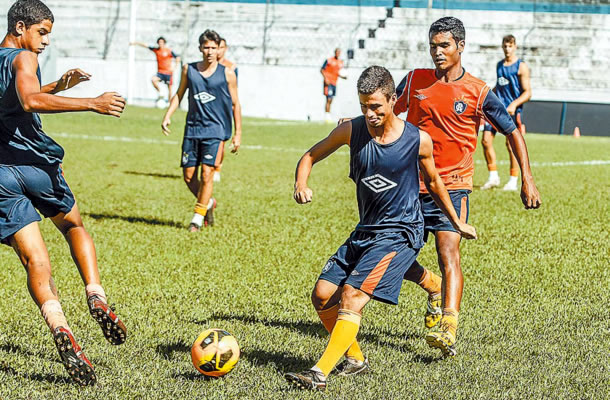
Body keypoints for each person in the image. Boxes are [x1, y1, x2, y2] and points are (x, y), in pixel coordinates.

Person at [285, 66, 476, 391]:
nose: (370, 114)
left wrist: (456, 221)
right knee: (322, 296)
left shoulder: (417, 139)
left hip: (402, 231)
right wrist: (301, 183)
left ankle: (319, 373)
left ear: (392, 99)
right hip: (367, 230)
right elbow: (310, 155)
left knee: (352, 295)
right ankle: (356, 358)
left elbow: (433, 182)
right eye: (364, 107)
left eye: (376, 106)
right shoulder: (351, 131)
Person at [394, 17, 541, 357]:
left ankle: (449, 325)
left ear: (460, 46)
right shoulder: (415, 80)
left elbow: (512, 131)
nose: (437, 51)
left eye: (444, 45)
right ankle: (431, 285)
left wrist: (527, 179)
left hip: (454, 187)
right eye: (433, 45)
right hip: (410, 185)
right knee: (393, 256)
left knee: (449, 252)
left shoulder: (478, 91)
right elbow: (389, 111)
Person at [0, 0, 127, 386]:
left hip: (1, 176)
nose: (46, 41)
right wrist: (93, 102)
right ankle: (95, 294)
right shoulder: (23, 60)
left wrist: (58, 86)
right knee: (73, 227)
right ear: (20, 27)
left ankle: (59, 324)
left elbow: (13, 104)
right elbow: (29, 100)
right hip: (37, 168)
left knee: (35, 260)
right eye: (42, 32)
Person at [161, 29, 241, 231]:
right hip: (192, 129)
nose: (210, 51)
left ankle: (197, 217)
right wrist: (168, 115)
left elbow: (235, 104)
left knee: (207, 174)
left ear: (219, 49)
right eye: (206, 47)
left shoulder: (228, 73)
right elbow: (179, 94)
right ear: (200, 48)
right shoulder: (190, 69)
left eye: (214, 48)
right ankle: (208, 202)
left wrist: (237, 133)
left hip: (215, 130)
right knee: (189, 177)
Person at [481, 34, 531, 191]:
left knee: (511, 145)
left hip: (511, 111)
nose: (507, 49)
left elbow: (528, 92)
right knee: (486, 141)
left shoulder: (521, 67)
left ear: (515, 46)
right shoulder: (499, 65)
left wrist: (514, 105)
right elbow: (500, 86)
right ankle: (493, 177)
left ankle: (513, 180)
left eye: (510, 46)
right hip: (497, 109)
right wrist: (487, 96)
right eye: (505, 46)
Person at [213, 36, 238, 183]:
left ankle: (217, 167)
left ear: (225, 49)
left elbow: (234, 90)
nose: (218, 51)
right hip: (209, 108)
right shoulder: (206, 66)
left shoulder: (231, 68)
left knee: (220, 141)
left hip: (224, 109)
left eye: (221, 48)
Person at [130, 37, 180, 102]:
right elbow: (146, 45)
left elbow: (178, 58)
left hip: (168, 73)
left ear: (164, 43)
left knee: (170, 89)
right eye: (159, 42)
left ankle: (169, 103)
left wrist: (175, 67)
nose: (160, 44)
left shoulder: (169, 51)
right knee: (153, 80)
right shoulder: (156, 50)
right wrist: (135, 43)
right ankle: (160, 92)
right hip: (160, 73)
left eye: (162, 42)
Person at [321, 48, 346, 122]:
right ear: (335, 52)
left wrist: (343, 77)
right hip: (328, 82)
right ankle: (327, 116)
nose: (338, 53)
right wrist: (326, 79)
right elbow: (322, 70)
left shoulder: (340, 62)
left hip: (334, 83)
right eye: (337, 52)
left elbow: (338, 73)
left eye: (339, 52)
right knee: (328, 98)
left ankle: (328, 114)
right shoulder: (329, 60)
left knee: (331, 99)